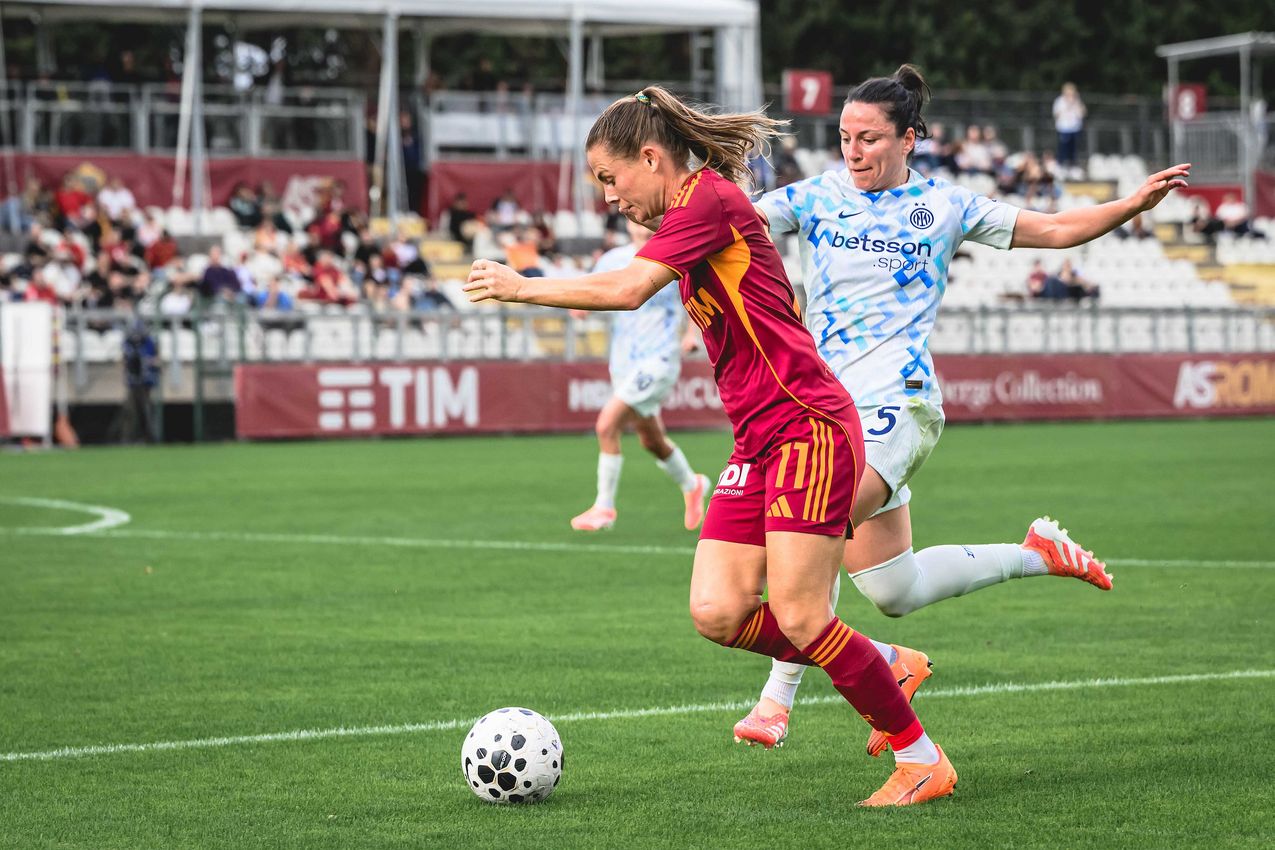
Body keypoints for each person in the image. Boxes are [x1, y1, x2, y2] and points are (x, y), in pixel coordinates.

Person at [465, 85, 957, 807]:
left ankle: (921, 761)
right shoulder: (693, 213)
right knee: (718, 612)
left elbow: (630, 289)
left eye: (610, 178)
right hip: (760, 440)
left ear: (651, 157)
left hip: (808, 429)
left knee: (799, 616)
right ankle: (883, 661)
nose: (607, 195)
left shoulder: (708, 200)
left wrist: (522, 286)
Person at [738, 64, 1188, 752]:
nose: (852, 151)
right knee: (894, 588)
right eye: (843, 137)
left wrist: (1127, 207)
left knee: (811, 527)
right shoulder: (818, 194)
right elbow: (736, 222)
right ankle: (1036, 554)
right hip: (825, 407)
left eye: (868, 139)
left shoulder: (945, 207)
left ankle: (777, 699)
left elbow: (1058, 227)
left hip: (897, 403)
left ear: (909, 139)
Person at [568, 218, 713, 533]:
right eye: (635, 225)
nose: (641, 229)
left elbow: (693, 300)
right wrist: (579, 306)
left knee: (606, 425)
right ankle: (693, 483)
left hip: (659, 360)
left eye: (648, 227)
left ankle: (604, 507)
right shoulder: (613, 260)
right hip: (622, 362)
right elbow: (594, 290)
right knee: (651, 440)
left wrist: (691, 334)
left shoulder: (673, 258)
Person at [121, 318, 159, 443]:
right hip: (132, 382)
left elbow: (156, 360)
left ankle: (150, 438)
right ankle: (129, 438)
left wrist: (149, 363)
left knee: (146, 411)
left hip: (146, 383)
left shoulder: (149, 343)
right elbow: (125, 361)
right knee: (131, 411)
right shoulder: (127, 344)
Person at [1053, 82, 1086, 172]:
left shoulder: (1077, 101)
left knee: (1073, 148)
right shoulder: (1059, 101)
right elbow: (1056, 114)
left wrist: (1075, 103)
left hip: (1074, 128)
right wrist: (1067, 106)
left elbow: (1082, 114)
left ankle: (1073, 165)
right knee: (1063, 147)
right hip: (1063, 128)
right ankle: (1061, 164)